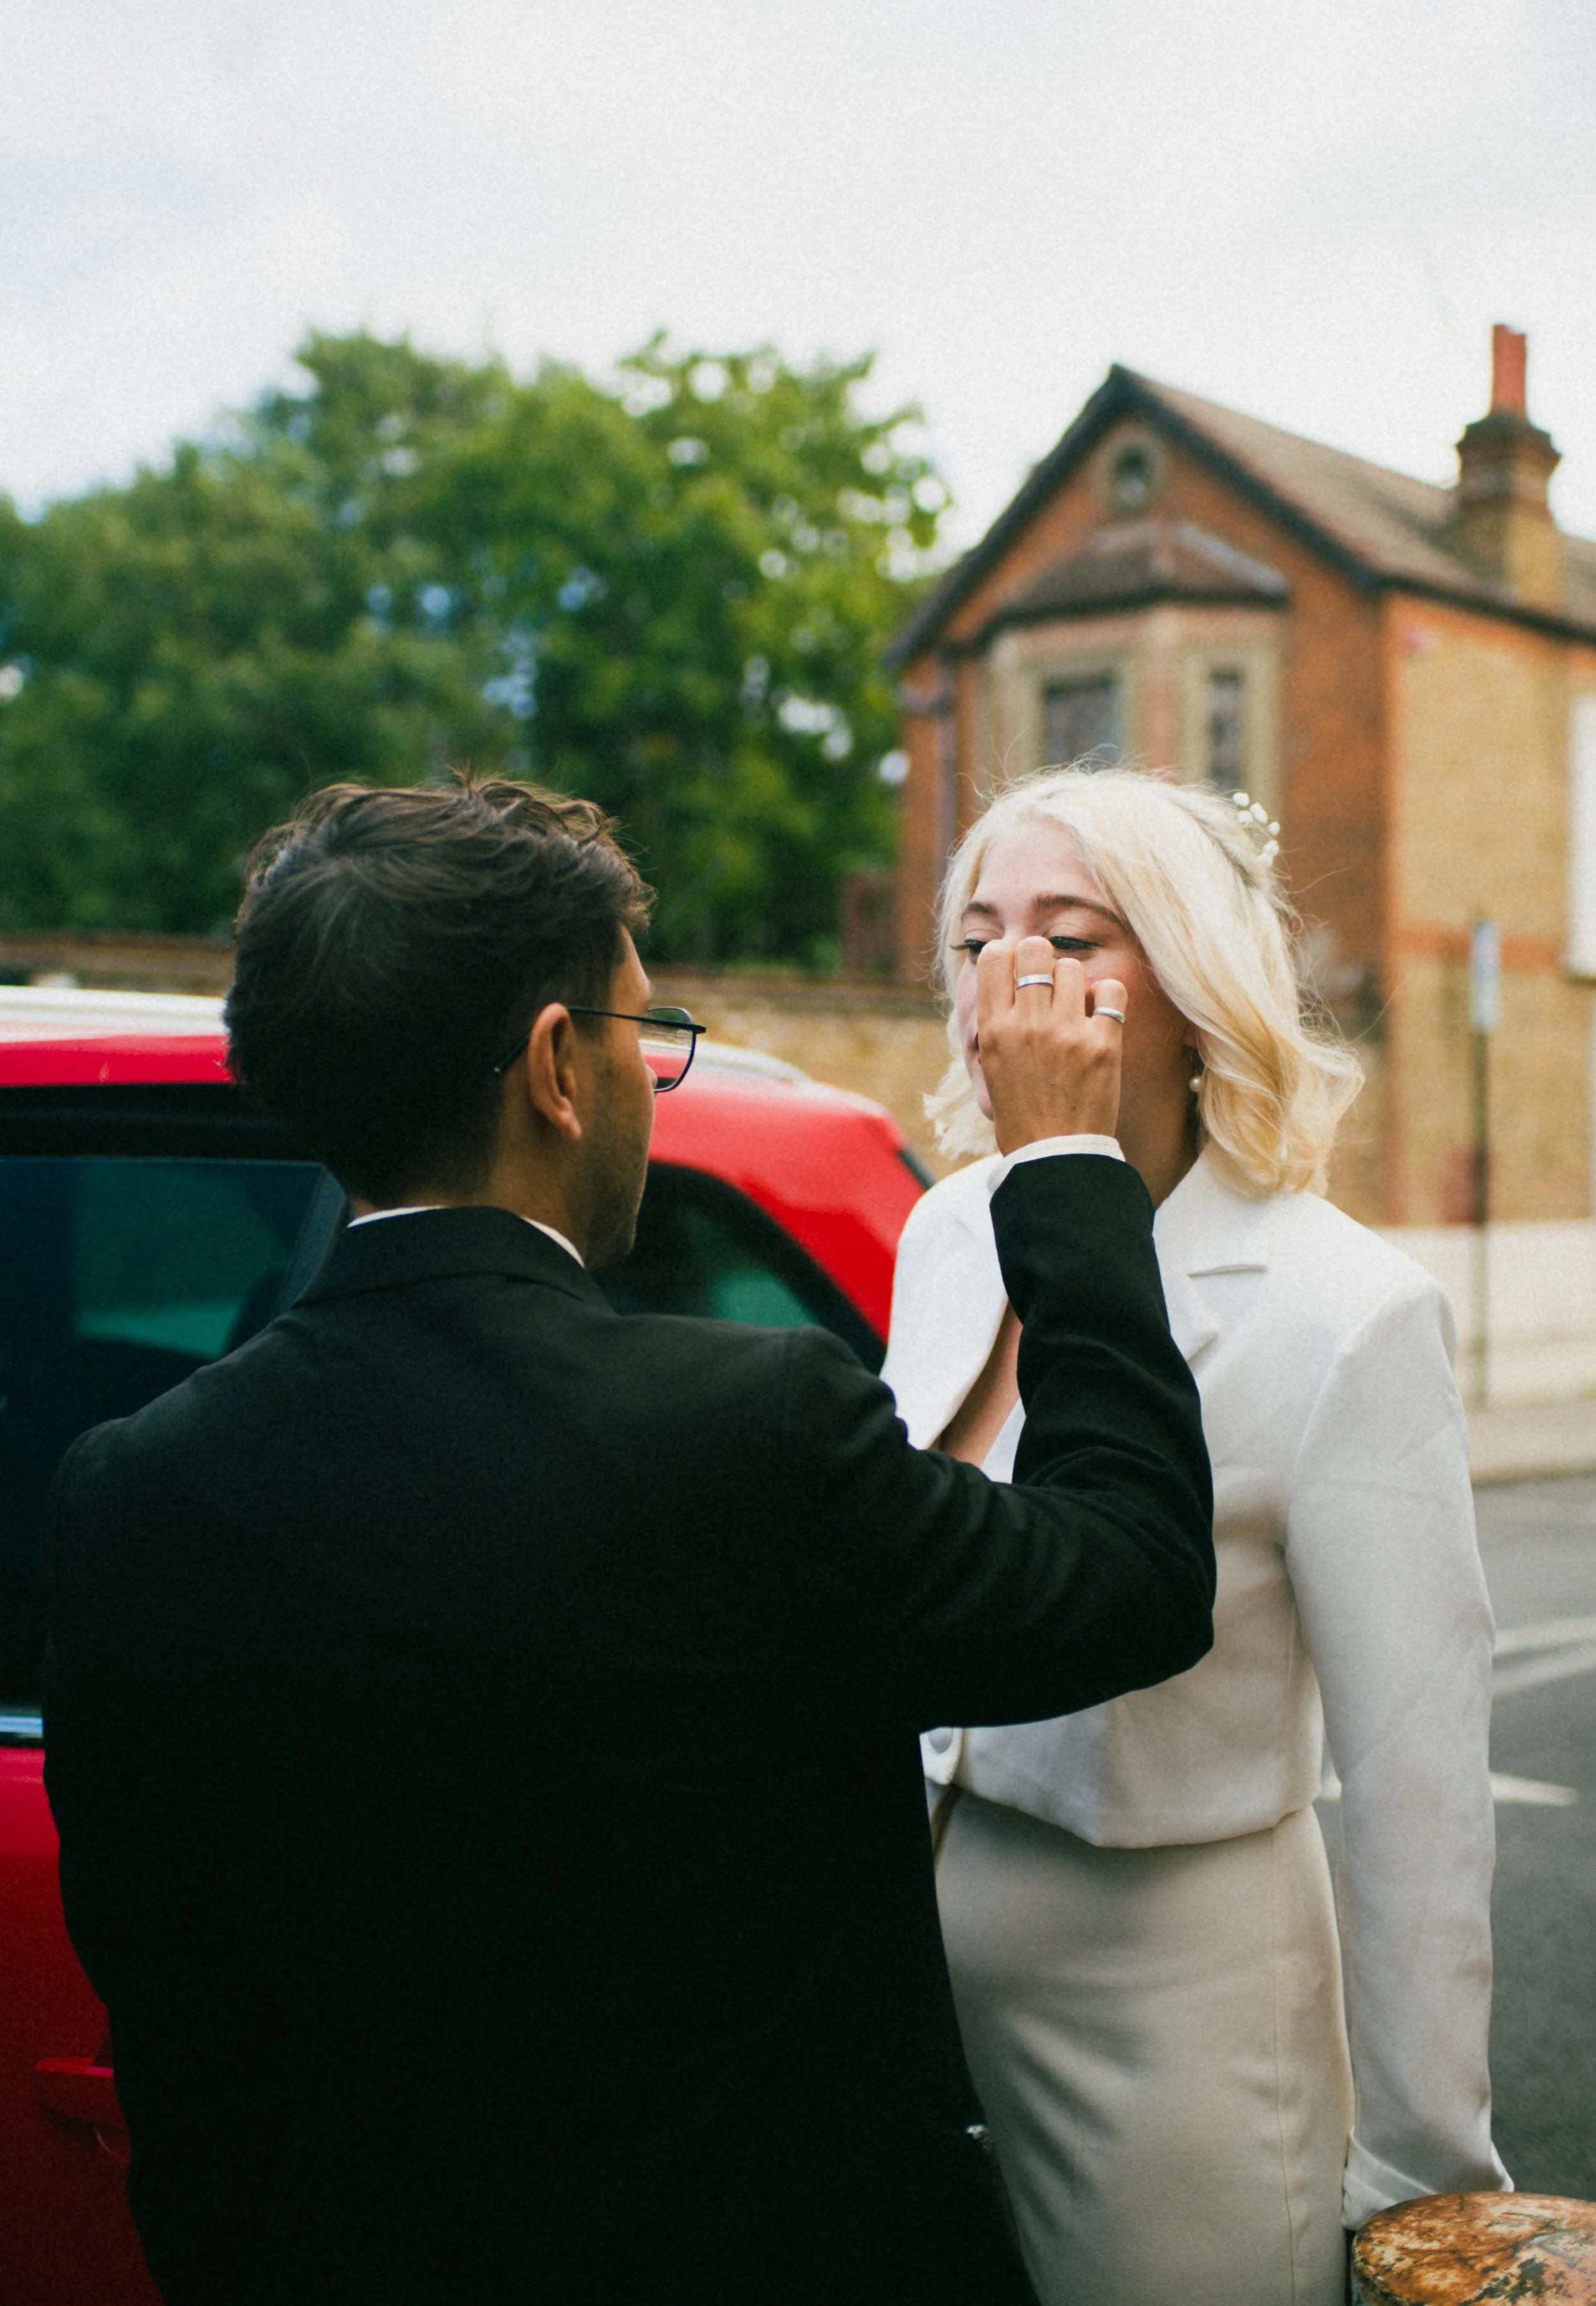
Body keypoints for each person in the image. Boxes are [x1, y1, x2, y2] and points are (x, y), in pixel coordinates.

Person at [42, 777, 1214, 2306]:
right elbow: (1125, 1576)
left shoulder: (128, 1494)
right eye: (641, 1033)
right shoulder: (745, 1431)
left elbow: (179, 2033)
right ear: (553, 1067)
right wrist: (1065, 1170)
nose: (653, 1082)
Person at [883, 764, 1510, 2306]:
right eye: (976, 941)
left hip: (1177, 2016)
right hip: (904, 1985)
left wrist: (1422, 2178)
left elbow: (1421, 1779)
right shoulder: (947, 1231)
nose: (1007, 981)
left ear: (1188, 982)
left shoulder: (1343, 1310)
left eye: (1070, 939)